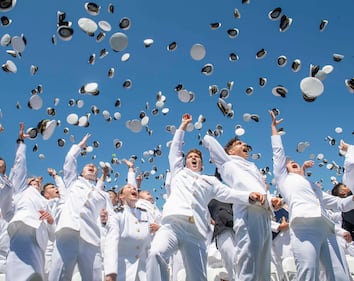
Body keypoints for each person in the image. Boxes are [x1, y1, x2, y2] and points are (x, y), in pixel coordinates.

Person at [146, 113, 266, 281]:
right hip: (172, 224)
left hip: (196, 231)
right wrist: (182, 126)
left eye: (197, 157)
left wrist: (248, 196)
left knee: (198, 277)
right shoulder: (178, 173)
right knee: (156, 253)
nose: (194, 158)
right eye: (190, 157)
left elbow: (228, 193)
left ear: (201, 164)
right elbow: (174, 150)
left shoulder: (210, 181)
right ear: (185, 161)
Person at [270, 110, 354, 281]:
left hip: (327, 228)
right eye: (289, 164)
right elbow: (278, 154)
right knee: (308, 273)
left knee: (340, 275)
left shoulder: (314, 187)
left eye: (294, 162)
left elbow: (340, 204)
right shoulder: (284, 180)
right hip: (304, 227)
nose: (291, 162)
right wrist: (274, 130)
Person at [203, 128, 282, 281]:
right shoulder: (227, 163)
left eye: (244, 143)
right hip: (247, 214)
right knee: (248, 267)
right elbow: (208, 140)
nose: (245, 145)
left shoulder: (253, 168)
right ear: (230, 151)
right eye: (239, 143)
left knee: (264, 270)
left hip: (265, 216)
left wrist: (273, 201)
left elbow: (260, 190)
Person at [48, 133, 112, 281]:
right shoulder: (73, 183)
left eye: (94, 168)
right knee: (59, 275)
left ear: (97, 176)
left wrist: (104, 219)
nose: (91, 166)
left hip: (91, 238)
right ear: (81, 173)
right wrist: (80, 145)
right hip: (68, 232)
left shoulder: (102, 194)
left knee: (95, 276)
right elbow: (70, 160)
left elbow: (109, 217)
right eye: (88, 166)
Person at [5, 123, 55, 281]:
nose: (36, 181)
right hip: (22, 230)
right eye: (32, 179)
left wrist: (50, 219)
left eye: (38, 181)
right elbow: (20, 166)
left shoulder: (44, 201)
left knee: (37, 276)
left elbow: (53, 234)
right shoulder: (20, 189)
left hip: (40, 240)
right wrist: (21, 143)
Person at [103, 158, 155, 281]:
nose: (133, 189)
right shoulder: (117, 215)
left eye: (135, 188)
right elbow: (111, 242)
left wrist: (131, 169)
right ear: (121, 196)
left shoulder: (144, 214)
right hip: (123, 273)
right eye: (128, 188)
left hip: (144, 273)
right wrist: (110, 272)